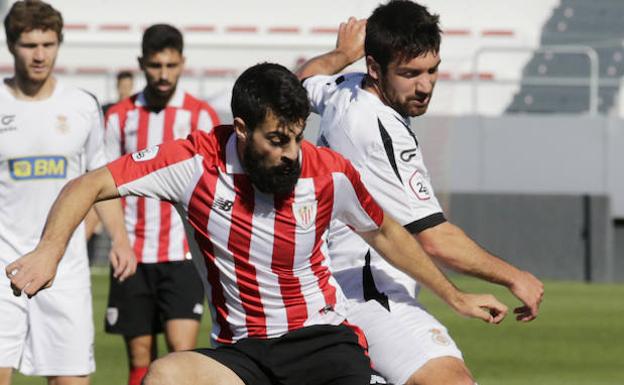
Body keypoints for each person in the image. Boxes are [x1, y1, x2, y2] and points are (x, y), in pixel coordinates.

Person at [6, 62, 508, 385]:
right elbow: (88, 183)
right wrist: (49, 251)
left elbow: (388, 233)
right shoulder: (194, 162)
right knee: (165, 375)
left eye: (296, 136)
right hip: (243, 355)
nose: (292, 153)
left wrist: (455, 296)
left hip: (324, 345)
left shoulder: (327, 170)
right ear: (242, 129)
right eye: (276, 140)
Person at [296, 2, 545, 385]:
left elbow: (304, 81)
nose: (425, 85)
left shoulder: (345, 90)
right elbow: (435, 239)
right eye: (409, 74)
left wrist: (341, 56)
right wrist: (515, 278)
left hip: (331, 285)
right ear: (375, 69)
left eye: (432, 71)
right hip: (367, 286)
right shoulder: (380, 131)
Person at [0, 1, 136, 385]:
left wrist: (120, 237)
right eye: (29, 45)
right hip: (2, 261)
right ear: (12, 45)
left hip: (65, 269)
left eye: (48, 44)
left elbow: (98, 181)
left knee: (71, 379)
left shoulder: (82, 106)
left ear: (59, 44)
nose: (40, 55)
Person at [103, 23, 220, 385]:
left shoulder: (200, 117)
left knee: (180, 352)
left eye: (171, 65)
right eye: (156, 66)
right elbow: (103, 184)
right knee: (139, 356)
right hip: (133, 253)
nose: (164, 74)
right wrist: (118, 240)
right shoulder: (119, 117)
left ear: (182, 62)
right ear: (142, 63)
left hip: (183, 254)